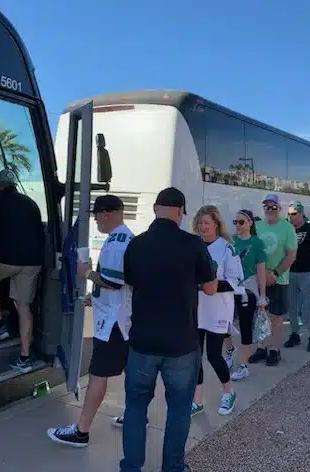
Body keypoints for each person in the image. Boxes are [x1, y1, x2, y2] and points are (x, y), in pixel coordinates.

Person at [119, 187, 217, 472]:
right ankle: (173, 467)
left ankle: (131, 467)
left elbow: (131, 283)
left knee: (135, 408)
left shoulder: (136, 244)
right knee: (178, 410)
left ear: (155, 209)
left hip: (142, 342)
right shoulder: (193, 244)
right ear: (179, 211)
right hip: (181, 343)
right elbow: (210, 289)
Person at [47, 195, 134, 447]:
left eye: (96, 215)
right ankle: (134, 414)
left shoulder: (118, 241)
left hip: (112, 324)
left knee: (98, 374)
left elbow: (114, 281)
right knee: (131, 370)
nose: (95, 220)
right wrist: (94, 296)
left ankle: (81, 431)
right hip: (121, 319)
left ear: (107, 214)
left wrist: (87, 273)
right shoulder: (125, 238)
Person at [0, 168, 44, 372]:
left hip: (4, 260)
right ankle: (25, 358)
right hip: (32, 262)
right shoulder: (31, 203)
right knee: (24, 307)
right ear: (15, 184)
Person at [190, 205, 244, 417]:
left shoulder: (226, 248)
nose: (203, 227)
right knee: (195, 356)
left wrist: (210, 286)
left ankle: (228, 391)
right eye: (200, 223)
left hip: (218, 309)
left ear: (216, 224)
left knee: (213, 355)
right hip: (197, 309)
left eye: (207, 223)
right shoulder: (193, 246)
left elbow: (235, 280)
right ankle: (197, 400)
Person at [248, 193, 297, 367]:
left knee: (276, 317)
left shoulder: (287, 228)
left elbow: (291, 255)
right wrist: (261, 272)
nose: (270, 209)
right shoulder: (257, 226)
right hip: (258, 278)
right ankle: (262, 347)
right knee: (260, 315)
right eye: (266, 206)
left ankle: (275, 350)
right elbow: (251, 250)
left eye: (273, 206)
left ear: (279, 208)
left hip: (278, 279)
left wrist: (275, 272)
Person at [229, 210, 267, 381]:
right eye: (235, 222)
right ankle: (229, 350)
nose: (238, 225)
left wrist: (262, 296)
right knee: (224, 324)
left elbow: (261, 270)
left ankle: (243, 365)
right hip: (229, 288)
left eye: (241, 222)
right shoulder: (230, 241)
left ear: (250, 223)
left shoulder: (257, 243)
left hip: (248, 289)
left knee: (246, 326)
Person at [284, 201, 310, 352]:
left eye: (294, 214)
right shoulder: (287, 230)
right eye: (289, 214)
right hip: (290, 273)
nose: (291, 217)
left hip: (306, 273)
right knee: (292, 307)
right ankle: (295, 334)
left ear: (301, 214)